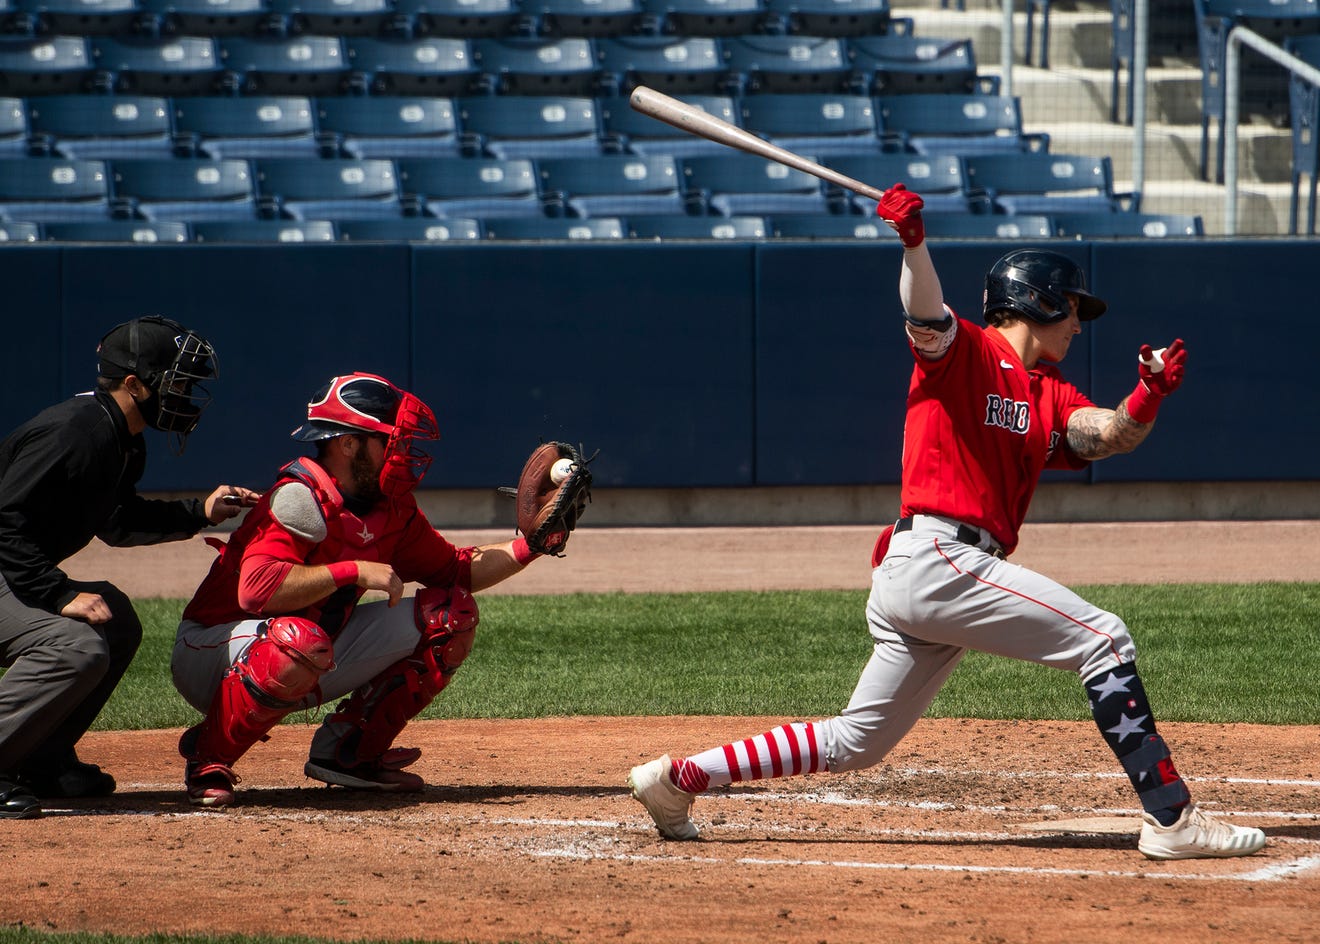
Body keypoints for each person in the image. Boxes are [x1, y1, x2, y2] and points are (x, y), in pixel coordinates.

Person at [627, 183, 1267, 861]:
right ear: (1039, 301)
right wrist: (914, 242)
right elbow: (924, 312)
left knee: (857, 742)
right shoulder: (966, 351)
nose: (1079, 325)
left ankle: (679, 779)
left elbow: (1105, 434)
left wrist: (1149, 394)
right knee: (1104, 639)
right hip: (940, 559)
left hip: (931, 575)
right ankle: (1172, 820)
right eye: (1072, 310)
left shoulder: (1047, 391)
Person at [171, 371, 564, 808]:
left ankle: (349, 753)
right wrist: (352, 570)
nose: (403, 452)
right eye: (390, 440)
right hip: (211, 650)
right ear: (347, 443)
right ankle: (209, 756)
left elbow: (456, 570)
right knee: (298, 639)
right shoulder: (298, 497)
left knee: (450, 613)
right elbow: (256, 592)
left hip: (309, 651)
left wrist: (532, 546)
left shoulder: (391, 508)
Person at [0, 316, 256, 820]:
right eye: (176, 383)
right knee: (75, 645)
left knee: (114, 618)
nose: (184, 395)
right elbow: (4, 518)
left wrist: (198, 511)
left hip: (7, 572)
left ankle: (38, 759)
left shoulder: (122, 437)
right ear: (134, 385)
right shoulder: (74, 433)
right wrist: (56, 594)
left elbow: (116, 521)